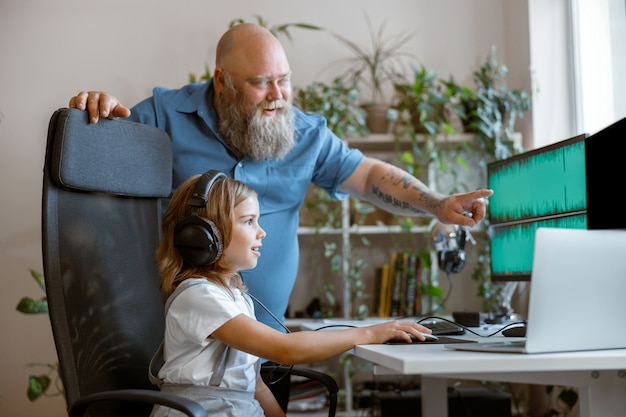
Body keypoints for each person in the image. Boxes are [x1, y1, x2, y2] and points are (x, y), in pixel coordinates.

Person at [69, 21, 492, 409]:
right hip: (176, 355)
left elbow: (367, 177)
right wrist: (101, 115)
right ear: (222, 81)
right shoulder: (163, 116)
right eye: (261, 83)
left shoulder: (305, 134)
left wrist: (437, 204)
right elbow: (100, 173)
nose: (277, 95)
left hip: (257, 357)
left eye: (284, 80)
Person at [150, 170, 433, 417]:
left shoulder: (233, 296)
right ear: (204, 235)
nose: (261, 232)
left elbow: (255, 383)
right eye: (249, 221)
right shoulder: (198, 296)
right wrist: (370, 333)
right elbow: (284, 350)